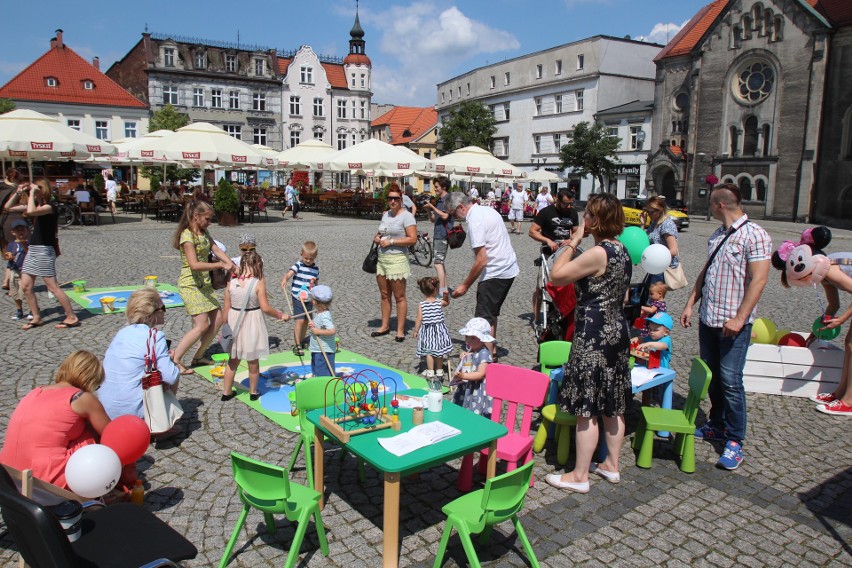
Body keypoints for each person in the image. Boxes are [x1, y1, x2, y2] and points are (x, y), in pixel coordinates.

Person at [680, 183, 771, 470]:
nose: (709, 207)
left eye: (710, 203)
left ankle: (735, 440)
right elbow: (707, 271)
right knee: (714, 376)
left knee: (731, 381)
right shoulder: (718, 234)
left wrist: (741, 317)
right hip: (709, 318)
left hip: (734, 323)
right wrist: (690, 302)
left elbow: (759, 280)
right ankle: (717, 424)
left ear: (719, 204)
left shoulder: (754, 234)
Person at [544, 193, 631, 493]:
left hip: (593, 335)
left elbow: (556, 276)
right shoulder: (623, 250)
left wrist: (573, 241)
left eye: (588, 216)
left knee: (587, 406)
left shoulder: (599, 252)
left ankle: (579, 475)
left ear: (595, 220)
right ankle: (611, 466)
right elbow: (625, 295)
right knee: (613, 402)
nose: (584, 220)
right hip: (617, 332)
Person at [771, 226, 852, 416]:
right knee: (849, 345)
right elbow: (833, 305)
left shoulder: (829, 270)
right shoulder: (822, 270)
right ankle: (840, 393)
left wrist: (841, 321)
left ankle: (848, 402)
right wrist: (813, 335)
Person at [0, 351, 110, 489]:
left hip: (7, 474)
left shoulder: (36, 392)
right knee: (89, 435)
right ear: (90, 379)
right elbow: (112, 434)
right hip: (42, 480)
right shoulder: (81, 398)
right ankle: (101, 487)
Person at [446, 192, 519, 361]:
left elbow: (481, 260)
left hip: (496, 271)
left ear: (461, 207)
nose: (455, 218)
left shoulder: (475, 220)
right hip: (507, 268)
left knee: (482, 319)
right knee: (490, 313)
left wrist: (464, 285)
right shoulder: (487, 210)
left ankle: (483, 359)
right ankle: (491, 352)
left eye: (453, 213)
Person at [4, 179, 80, 330]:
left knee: (52, 287)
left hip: (44, 250)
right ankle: (37, 317)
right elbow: (8, 207)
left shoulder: (50, 207)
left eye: (37, 189)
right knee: (25, 286)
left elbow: (31, 211)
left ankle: (72, 317)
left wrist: (32, 192)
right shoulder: (37, 205)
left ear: (42, 190)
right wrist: (18, 192)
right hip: (33, 249)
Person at [171, 200, 235, 374]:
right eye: (207, 219)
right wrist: (220, 266)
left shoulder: (204, 232)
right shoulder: (187, 236)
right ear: (196, 216)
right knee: (201, 325)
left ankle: (198, 356)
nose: (210, 222)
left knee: (218, 319)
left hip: (204, 284)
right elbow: (194, 265)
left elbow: (217, 250)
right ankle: (175, 358)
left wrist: (232, 265)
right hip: (190, 284)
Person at [100, 288, 182, 421]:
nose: (165, 312)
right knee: (174, 370)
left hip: (106, 407)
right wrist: (170, 361)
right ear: (152, 314)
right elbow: (171, 376)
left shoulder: (121, 333)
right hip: (132, 412)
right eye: (163, 308)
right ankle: (160, 425)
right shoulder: (155, 336)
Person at [220, 250, 288, 401]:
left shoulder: (231, 283)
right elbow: (265, 308)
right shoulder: (258, 283)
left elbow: (225, 309)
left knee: (233, 361)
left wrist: (225, 327)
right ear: (258, 265)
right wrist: (280, 315)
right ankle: (253, 391)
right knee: (253, 361)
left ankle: (226, 392)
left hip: (234, 322)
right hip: (251, 322)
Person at [370, 184, 417, 341]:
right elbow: (381, 232)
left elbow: (412, 239)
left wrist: (391, 241)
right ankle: (384, 325)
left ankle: (400, 330)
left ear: (401, 199)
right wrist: (377, 238)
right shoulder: (386, 215)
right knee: (384, 295)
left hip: (397, 259)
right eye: (390, 198)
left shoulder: (407, 216)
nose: (392, 201)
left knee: (399, 296)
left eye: (395, 198)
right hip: (382, 259)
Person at [529, 188, 581, 322]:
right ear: (557, 200)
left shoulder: (573, 213)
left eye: (571, 204)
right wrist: (547, 240)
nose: (568, 207)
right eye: (566, 204)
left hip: (567, 251)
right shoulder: (546, 212)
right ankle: (536, 318)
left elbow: (576, 232)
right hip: (549, 251)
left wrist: (571, 240)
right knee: (541, 285)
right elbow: (533, 231)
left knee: (571, 283)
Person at [281, 241, 319, 357]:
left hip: (308, 297)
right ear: (301, 254)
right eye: (306, 258)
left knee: (307, 321)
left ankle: (301, 341)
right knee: (300, 320)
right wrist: (285, 279)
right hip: (297, 297)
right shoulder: (298, 265)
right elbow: (289, 273)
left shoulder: (315, 269)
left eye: (311, 259)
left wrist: (315, 294)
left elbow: (316, 283)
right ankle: (297, 344)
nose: (308, 261)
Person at [414, 276, 452, 379]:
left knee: (429, 352)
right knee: (439, 352)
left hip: (428, 332)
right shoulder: (439, 302)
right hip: (439, 331)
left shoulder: (421, 305)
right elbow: (447, 303)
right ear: (436, 289)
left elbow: (419, 318)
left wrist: (416, 330)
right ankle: (439, 370)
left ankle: (430, 371)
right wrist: (445, 297)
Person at [422, 176, 453, 302]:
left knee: (437, 263)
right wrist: (429, 210)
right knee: (440, 263)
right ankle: (444, 289)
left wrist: (433, 208)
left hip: (443, 235)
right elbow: (433, 219)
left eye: (436, 187)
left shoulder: (448, 200)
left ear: (444, 187)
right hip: (438, 234)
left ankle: (441, 293)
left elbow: (445, 215)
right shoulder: (440, 200)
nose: (434, 189)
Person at [635, 311, 674, 405]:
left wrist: (649, 344)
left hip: (661, 373)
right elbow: (643, 339)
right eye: (650, 328)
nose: (651, 332)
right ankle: (645, 406)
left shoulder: (666, 339)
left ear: (666, 332)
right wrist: (638, 338)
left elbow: (662, 346)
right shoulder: (650, 337)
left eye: (655, 330)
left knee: (658, 396)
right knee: (647, 390)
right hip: (649, 370)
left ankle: (660, 409)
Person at [641, 196, 680, 285]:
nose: (649, 214)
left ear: (660, 210)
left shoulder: (666, 224)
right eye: (648, 211)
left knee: (653, 297)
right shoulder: (655, 223)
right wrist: (643, 224)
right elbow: (643, 241)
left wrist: (655, 256)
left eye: (652, 212)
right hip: (655, 266)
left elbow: (673, 251)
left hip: (663, 268)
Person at [0, 168, 24, 290]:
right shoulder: (16, 190)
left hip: (3, 223)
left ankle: (6, 280)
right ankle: (13, 283)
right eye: (20, 179)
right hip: (15, 222)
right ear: (14, 178)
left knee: (11, 252)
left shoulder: (1, 186)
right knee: (19, 252)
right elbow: (8, 207)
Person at [307, 285, 336, 378]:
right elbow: (319, 325)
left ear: (314, 301)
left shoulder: (324, 316)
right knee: (317, 370)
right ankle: (318, 383)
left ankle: (325, 388)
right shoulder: (318, 312)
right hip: (317, 348)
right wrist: (313, 324)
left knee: (323, 373)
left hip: (324, 351)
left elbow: (332, 331)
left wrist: (317, 331)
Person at [5, 219, 29, 320]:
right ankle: (19, 310)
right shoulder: (11, 244)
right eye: (18, 230)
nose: (21, 231)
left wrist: (24, 245)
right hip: (14, 269)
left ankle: (33, 309)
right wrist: (9, 256)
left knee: (26, 290)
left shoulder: (29, 243)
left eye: (22, 229)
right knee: (15, 291)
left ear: (26, 230)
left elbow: (30, 253)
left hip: (26, 270)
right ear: (13, 232)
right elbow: (8, 254)